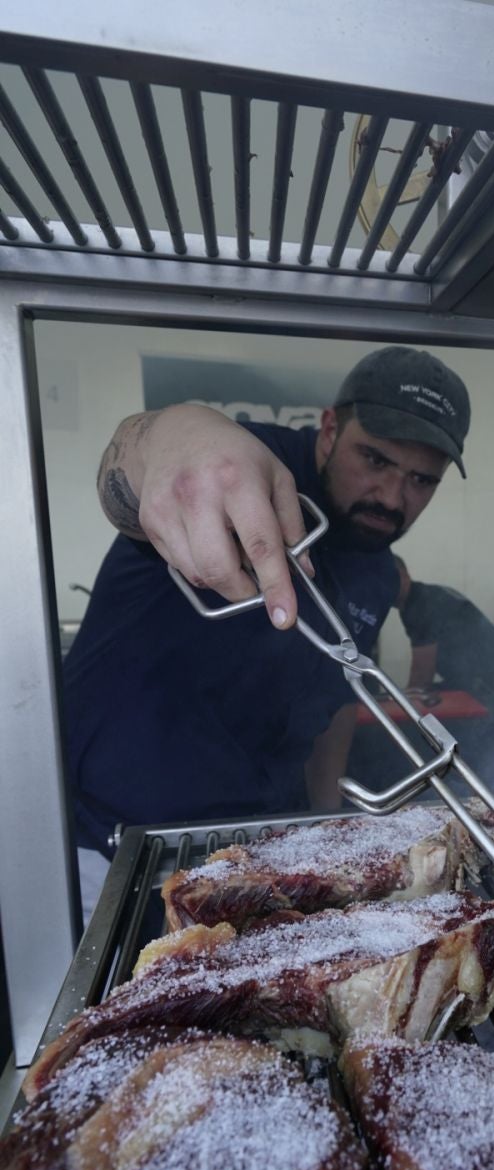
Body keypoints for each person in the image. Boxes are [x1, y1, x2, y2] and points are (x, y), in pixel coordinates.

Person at [64, 345, 471, 914]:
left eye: (421, 480)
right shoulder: (248, 466)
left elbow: (333, 708)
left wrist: (329, 825)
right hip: (107, 850)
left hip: (251, 860)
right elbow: (142, 456)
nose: (391, 497)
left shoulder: (378, 573)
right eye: (374, 460)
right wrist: (177, 436)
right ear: (329, 428)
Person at [392, 556, 494, 695]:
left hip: (488, 677)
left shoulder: (420, 605)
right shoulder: (424, 595)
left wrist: (400, 703)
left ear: (404, 575)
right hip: (484, 673)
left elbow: (421, 678)